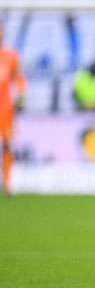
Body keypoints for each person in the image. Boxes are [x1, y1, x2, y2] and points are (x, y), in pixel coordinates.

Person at [0, 24, 26, 197]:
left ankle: (7, 184)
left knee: (7, 144)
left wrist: (22, 94)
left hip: (5, 108)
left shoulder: (10, 56)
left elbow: (19, 78)